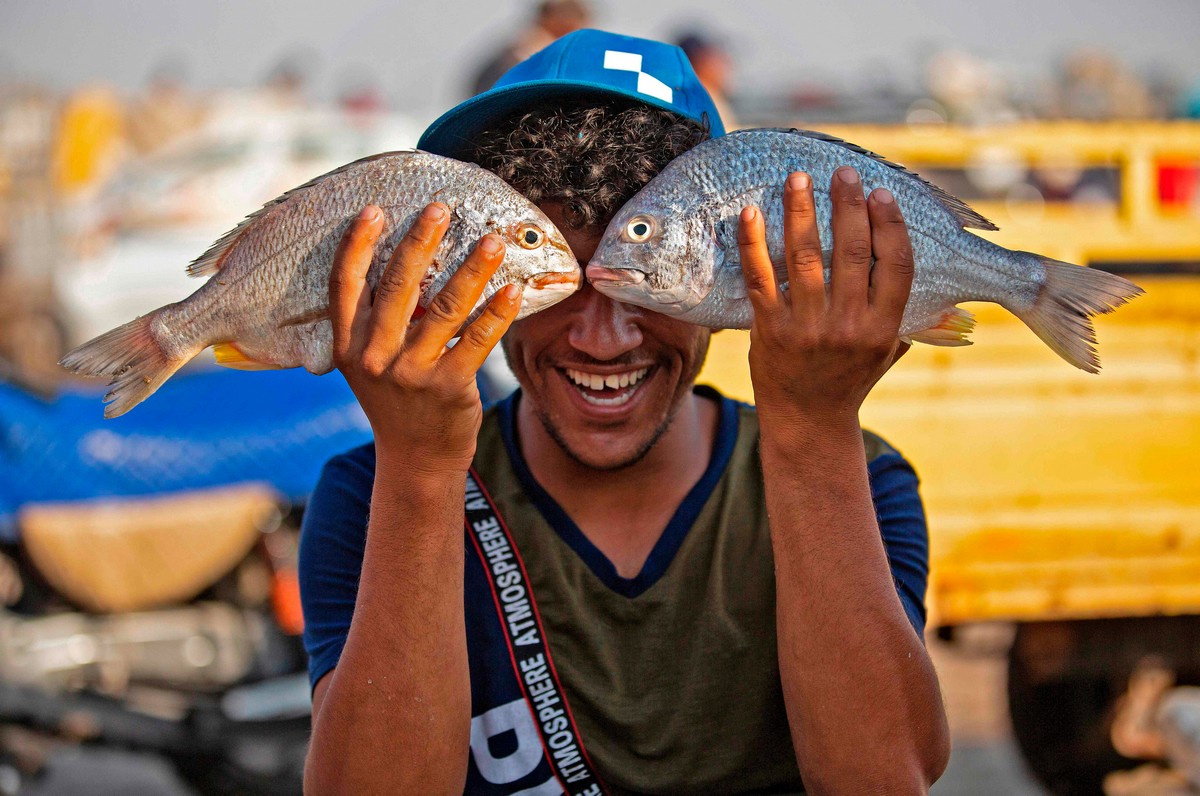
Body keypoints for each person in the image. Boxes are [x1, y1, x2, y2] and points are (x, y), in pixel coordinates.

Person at [300, 29, 949, 795]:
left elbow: (885, 778)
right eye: (552, 278)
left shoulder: (859, 480)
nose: (601, 338)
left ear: (744, 272)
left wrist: (812, 434)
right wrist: (416, 469)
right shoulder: (372, 497)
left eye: (646, 278)